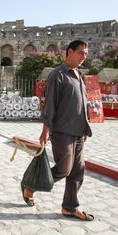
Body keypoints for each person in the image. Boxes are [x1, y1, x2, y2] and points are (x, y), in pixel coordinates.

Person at [22, 40, 94, 221]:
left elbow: (82, 104)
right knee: (64, 169)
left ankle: (69, 207)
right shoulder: (58, 75)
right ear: (70, 52)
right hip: (62, 131)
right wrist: (45, 131)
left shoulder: (80, 75)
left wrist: (86, 127)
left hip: (79, 132)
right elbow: (50, 105)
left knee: (78, 172)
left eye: (86, 54)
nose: (84, 57)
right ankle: (30, 186)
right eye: (81, 53)